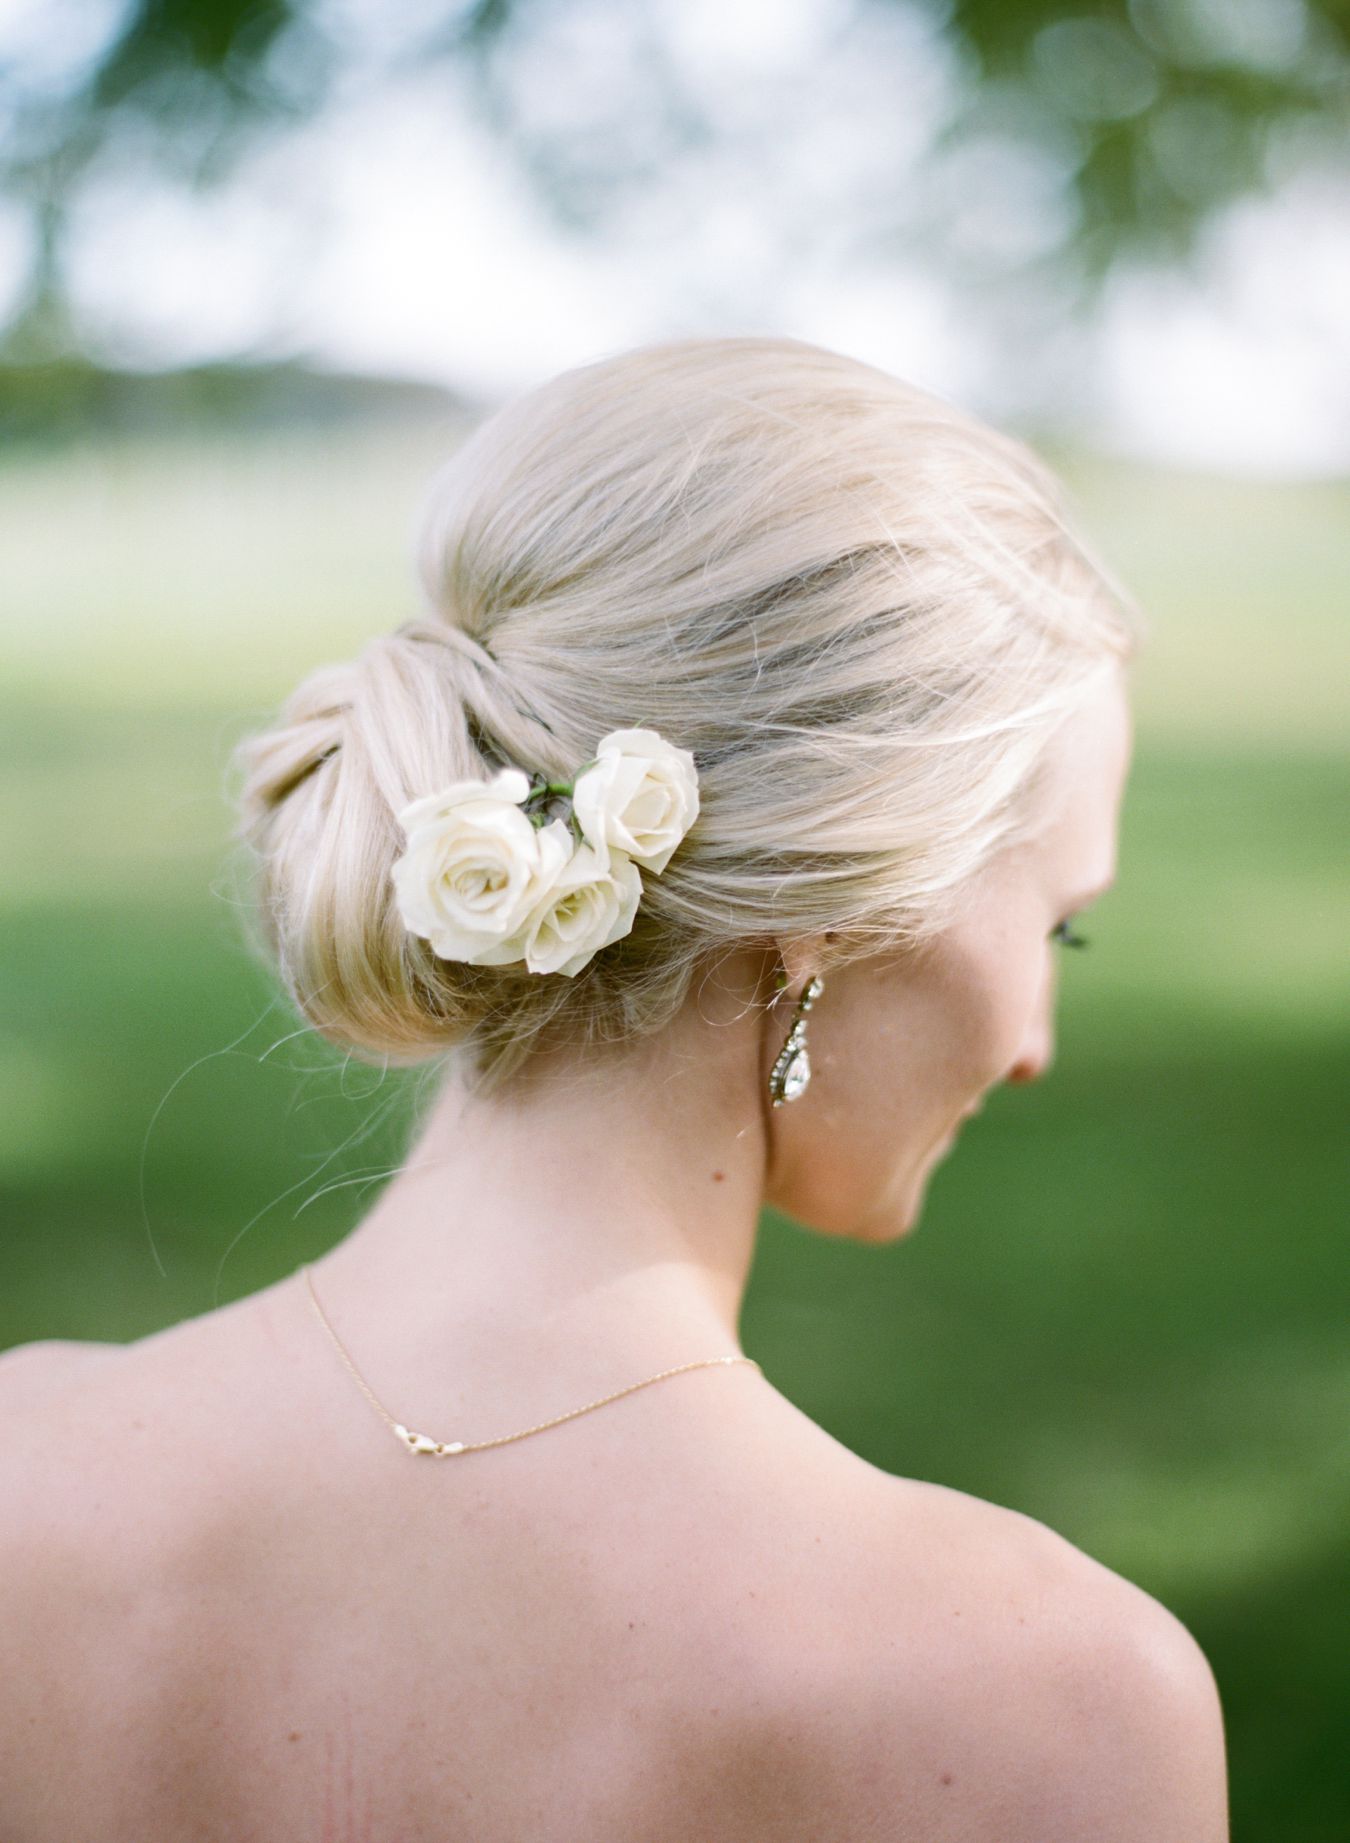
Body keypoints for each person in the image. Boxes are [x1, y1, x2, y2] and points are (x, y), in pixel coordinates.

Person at [0, 336, 1228, 1839]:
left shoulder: (24, 1475)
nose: (1035, 1038)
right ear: (833, 905)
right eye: (1054, 926)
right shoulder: (1055, 1703)